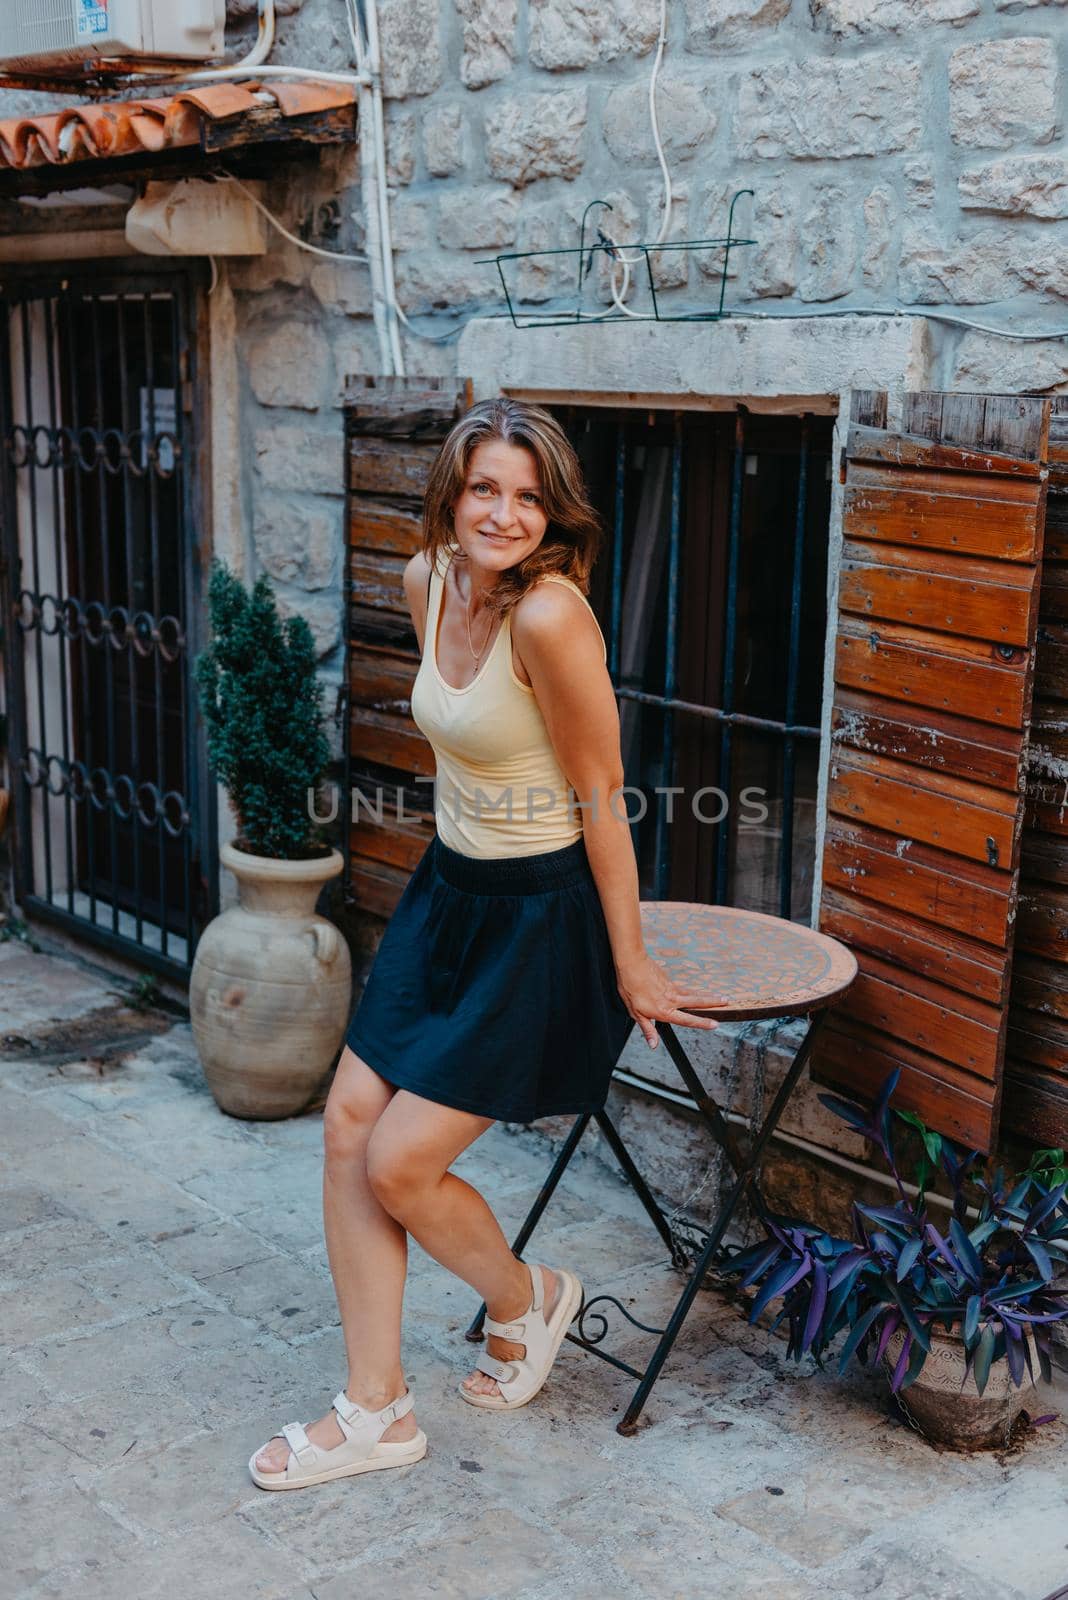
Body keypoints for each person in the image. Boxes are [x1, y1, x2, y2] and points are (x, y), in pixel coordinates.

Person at [249, 397, 718, 1490]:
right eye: (485, 489)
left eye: (528, 496)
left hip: (541, 917)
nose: (505, 514)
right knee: (346, 1127)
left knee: (401, 1160)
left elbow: (603, 795)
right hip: (449, 893)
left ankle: (526, 1299)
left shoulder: (550, 617)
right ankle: (379, 1409)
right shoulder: (427, 580)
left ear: (552, 512)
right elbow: (464, 746)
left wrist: (633, 961)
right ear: (452, 497)